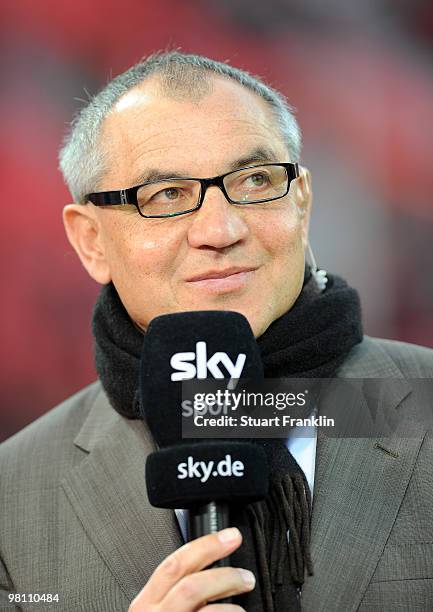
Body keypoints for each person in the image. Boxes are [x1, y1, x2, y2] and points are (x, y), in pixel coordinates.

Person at [1, 51, 432, 612]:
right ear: (91, 241)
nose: (220, 230)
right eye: (167, 196)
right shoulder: (10, 500)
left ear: (301, 202)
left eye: (255, 181)